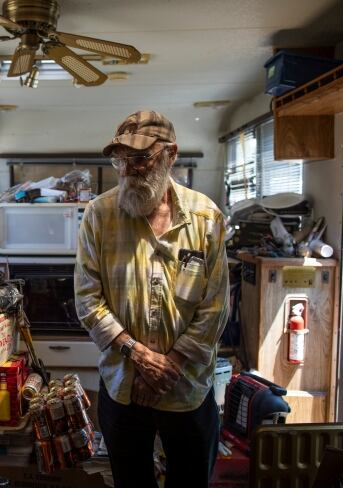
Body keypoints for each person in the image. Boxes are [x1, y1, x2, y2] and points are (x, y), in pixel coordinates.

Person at [75, 111, 230, 487]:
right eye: (121, 159)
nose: (129, 169)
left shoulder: (206, 217)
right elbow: (87, 300)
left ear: (171, 154)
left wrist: (170, 364)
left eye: (141, 157)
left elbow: (215, 306)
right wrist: (140, 357)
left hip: (188, 387)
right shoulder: (100, 215)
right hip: (124, 387)